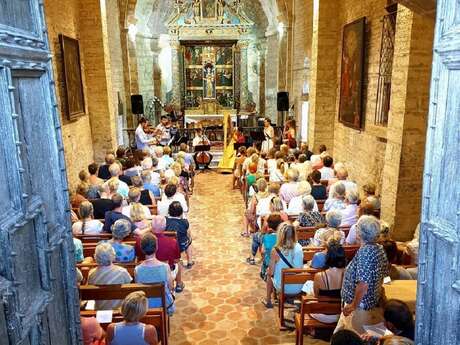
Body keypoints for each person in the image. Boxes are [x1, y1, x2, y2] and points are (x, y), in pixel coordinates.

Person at [336, 216, 389, 334]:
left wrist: (353, 305)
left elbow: (363, 284)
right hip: (368, 304)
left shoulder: (366, 252)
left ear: (359, 233)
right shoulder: (378, 248)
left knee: (354, 338)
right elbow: (384, 276)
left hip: (360, 308)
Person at [135, 215, 184, 292]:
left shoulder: (140, 241)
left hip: (144, 270)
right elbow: (177, 260)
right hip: (165, 271)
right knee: (178, 263)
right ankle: (179, 284)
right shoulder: (172, 242)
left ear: (151, 226)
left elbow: (138, 257)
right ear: (165, 227)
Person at [262, 223, 304, 308]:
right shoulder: (299, 247)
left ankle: (268, 300)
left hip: (283, 287)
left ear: (280, 234)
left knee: (268, 273)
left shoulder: (276, 250)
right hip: (299, 286)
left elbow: (271, 272)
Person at [135, 233, 176, 316]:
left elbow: (139, 289)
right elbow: (171, 287)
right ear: (156, 247)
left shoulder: (137, 269)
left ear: (142, 249)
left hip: (146, 305)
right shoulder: (165, 267)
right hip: (164, 304)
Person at [309, 238, 346, 324]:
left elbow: (316, 295)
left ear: (328, 256)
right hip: (340, 314)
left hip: (322, 314)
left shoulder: (319, 276)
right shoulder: (348, 273)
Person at [87, 242, 132, 310]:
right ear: (113, 255)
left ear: (95, 257)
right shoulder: (122, 272)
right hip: (119, 310)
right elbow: (129, 290)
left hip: (100, 310)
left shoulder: (91, 274)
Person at [165, 201, 193, 269]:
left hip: (168, 246)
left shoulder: (165, 220)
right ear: (181, 213)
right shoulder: (184, 221)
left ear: (169, 211)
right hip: (181, 245)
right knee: (189, 241)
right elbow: (188, 234)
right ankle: (189, 261)